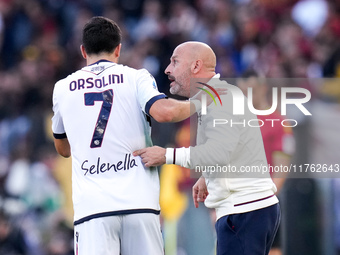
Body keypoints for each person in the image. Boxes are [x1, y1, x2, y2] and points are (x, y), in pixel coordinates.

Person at [51, 17, 206, 255]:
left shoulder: (62, 88)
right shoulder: (136, 77)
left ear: (83, 50)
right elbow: (164, 113)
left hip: (93, 208)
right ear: (118, 49)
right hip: (139, 203)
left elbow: (63, 149)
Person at [134, 41, 281, 255]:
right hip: (248, 209)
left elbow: (219, 152)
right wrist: (206, 176)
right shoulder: (215, 96)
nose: (167, 69)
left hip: (244, 209)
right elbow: (231, 147)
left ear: (195, 66)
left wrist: (167, 155)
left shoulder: (219, 97)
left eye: (175, 62)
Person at [237, 70, 295, 255]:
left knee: (270, 249)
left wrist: (264, 198)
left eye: (251, 90)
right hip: (237, 198)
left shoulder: (279, 122)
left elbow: (281, 169)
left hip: (264, 200)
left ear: (263, 89)